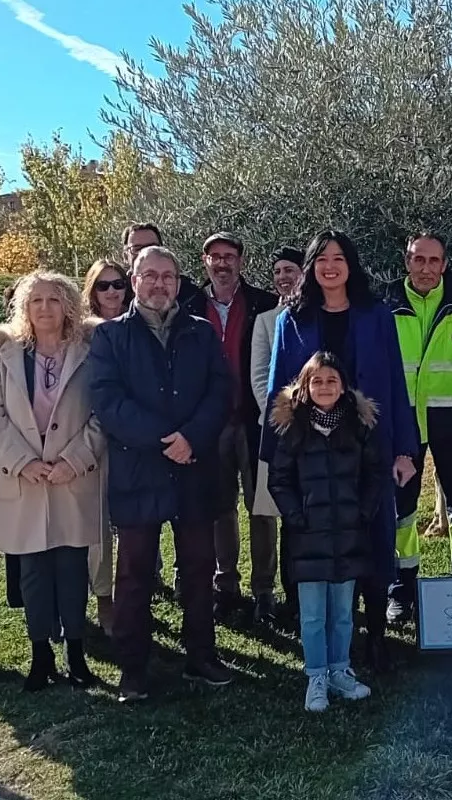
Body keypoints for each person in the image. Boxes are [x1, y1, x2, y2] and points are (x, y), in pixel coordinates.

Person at [261, 231, 419, 672]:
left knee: (370, 535)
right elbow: (278, 389)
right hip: (310, 451)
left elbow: (395, 382)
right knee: (314, 537)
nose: (330, 266)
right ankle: (322, 641)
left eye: (339, 258)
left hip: (365, 447)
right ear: (310, 267)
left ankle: (375, 637)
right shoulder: (290, 319)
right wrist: (276, 453)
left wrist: (404, 449)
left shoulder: (376, 315)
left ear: (351, 264)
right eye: (321, 259)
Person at [88, 246, 234, 703]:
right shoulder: (111, 337)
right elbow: (107, 402)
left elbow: (219, 391)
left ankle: (201, 656)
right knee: (134, 574)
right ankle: (133, 668)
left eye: (168, 276)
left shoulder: (201, 332)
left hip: (193, 469)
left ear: (178, 281)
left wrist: (191, 437)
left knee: (197, 567)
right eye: (149, 275)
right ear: (134, 280)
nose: (159, 284)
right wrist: (164, 438)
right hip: (139, 470)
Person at [0, 272, 105, 692]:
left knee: (72, 569)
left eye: (54, 299)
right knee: (32, 572)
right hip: (25, 480)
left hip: (72, 477)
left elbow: (102, 413)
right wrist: (22, 461)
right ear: (24, 308)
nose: (45, 308)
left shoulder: (90, 351)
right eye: (36, 301)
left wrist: (75, 459)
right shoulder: (6, 354)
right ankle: (40, 656)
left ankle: (76, 655)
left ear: (68, 305)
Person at [386, 232, 452, 621]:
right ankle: (401, 590)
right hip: (403, 423)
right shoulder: (388, 305)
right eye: (418, 260)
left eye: (434, 261)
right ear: (407, 261)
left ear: (445, 264)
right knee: (401, 509)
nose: (426, 268)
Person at [268, 352, 380, 711]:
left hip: (348, 534)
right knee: (313, 614)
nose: (325, 387)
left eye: (332, 380)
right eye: (317, 381)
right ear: (304, 386)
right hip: (308, 537)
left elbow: (374, 475)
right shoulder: (293, 429)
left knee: (343, 612)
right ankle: (316, 674)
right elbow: (279, 480)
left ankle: (340, 670)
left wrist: (363, 511)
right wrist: (295, 516)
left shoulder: (358, 427)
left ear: (343, 386)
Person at [187, 232, 281, 624]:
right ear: (205, 261)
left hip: (252, 419)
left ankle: (264, 591)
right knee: (219, 508)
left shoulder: (263, 303)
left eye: (229, 256)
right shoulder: (188, 304)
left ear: (241, 261)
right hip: (209, 423)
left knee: (261, 508)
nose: (222, 263)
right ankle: (226, 586)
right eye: (214, 256)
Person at [250, 247, 305, 609]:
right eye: (278, 271)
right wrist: (286, 418)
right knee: (284, 513)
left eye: (290, 269)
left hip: (321, 431)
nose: (283, 277)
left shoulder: (320, 316)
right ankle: (285, 593)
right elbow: (259, 379)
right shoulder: (266, 321)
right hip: (279, 431)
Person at [81, 259, 131, 634]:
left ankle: (134, 594)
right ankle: (103, 599)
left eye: (118, 284)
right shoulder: (80, 334)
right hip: (91, 436)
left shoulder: (138, 325)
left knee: (132, 523)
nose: (112, 291)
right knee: (96, 524)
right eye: (103, 286)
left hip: (133, 437)